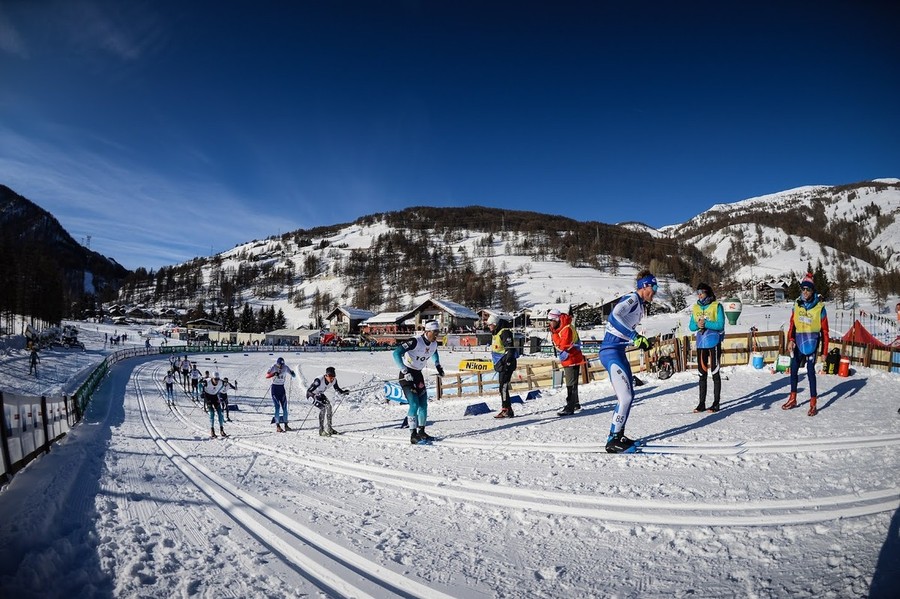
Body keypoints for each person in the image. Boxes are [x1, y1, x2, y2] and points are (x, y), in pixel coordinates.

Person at [599, 270, 657, 453]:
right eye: (653, 287)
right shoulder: (632, 298)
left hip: (619, 351)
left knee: (629, 396)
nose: (655, 291)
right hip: (610, 352)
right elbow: (614, 317)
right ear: (644, 286)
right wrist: (634, 336)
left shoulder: (640, 305)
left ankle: (618, 434)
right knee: (625, 397)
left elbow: (624, 329)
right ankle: (613, 440)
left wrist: (640, 341)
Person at [782, 274, 829, 416]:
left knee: (810, 372)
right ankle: (793, 398)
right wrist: (790, 340)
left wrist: (825, 352)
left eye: (808, 289)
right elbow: (792, 325)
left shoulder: (820, 308)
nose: (805, 292)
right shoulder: (796, 305)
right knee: (794, 370)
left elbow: (825, 332)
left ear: (813, 291)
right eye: (803, 289)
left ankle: (813, 403)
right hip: (798, 343)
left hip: (812, 344)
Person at [393, 320, 444, 444]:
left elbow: (434, 351)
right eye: (435, 332)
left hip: (418, 374)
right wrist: (404, 371)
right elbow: (396, 353)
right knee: (414, 404)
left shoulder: (433, 343)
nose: (437, 334)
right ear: (427, 331)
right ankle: (413, 435)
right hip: (407, 375)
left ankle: (421, 431)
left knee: (423, 404)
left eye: (438, 331)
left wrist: (437, 365)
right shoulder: (415, 341)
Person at [688, 282, 726, 413]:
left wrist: (706, 323)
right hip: (700, 344)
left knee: (715, 373)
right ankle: (701, 403)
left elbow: (720, 325)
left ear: (707, 293)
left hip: (714, 343)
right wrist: (698, 325)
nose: (699, 296)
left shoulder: (717, 306)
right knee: (701, 374)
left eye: (701, 293)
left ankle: (716, 403)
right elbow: (691, 327)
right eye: (697, 293)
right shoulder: (696, 308)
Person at [548, 308, 585, 416]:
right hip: (569, 357)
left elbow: (562, 345)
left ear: (557, 319)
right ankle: (575, 402)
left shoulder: (566, 329)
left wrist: (554, 335)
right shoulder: (561, 328)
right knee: (572, 381)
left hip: (572, 357)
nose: (549, 323)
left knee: (570, 383)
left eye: (551, 320)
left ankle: (570, 406)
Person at [487, 314, 518, 418]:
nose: (489, 327)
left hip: (506, 364)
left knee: (503, 387)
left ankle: (506, 410)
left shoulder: (504, 332)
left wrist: (508, 363)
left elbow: (510, 349)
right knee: (502, 387)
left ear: (495, 324)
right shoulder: (496, 333)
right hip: (500, 363)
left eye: (490, 325)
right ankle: (508, 409)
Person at [306, 366, 349, 437]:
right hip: (311, 395)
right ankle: (321, 430)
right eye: (330, 377)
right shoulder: (319, 380)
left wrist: (344, 392)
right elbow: (309, 391)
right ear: (326, 375)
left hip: (320, 394)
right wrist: (315, 396)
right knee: (323, 408)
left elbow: (337, 389)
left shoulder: (334, 380)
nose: (332, 379)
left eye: (333, 377)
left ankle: (329, 428)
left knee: (329, 406)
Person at [266, 357, 296, 432]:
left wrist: (293, 373)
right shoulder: (273, 367)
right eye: (280, 365)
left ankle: (286, 425)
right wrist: (273, 374)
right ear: (277, 364)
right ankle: (278, 426)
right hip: (275, 389)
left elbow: (294, 375)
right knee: (277, 407)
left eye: (282, 365)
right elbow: (267, 376)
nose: (281, 367)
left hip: (281, 389)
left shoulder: (285, 367)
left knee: (285, 407)